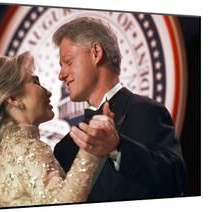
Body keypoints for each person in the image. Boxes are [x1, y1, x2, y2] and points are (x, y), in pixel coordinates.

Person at [52, 17, 187, 202]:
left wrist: (117, 148)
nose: (61, 74)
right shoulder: (65, 148)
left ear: (96, 53)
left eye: (68, 61)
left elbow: (175, 180)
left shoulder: (144, 111)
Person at [0, 51, 103, 208]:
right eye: (35, 82)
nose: (48, 92)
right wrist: (91, 151)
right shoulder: (28, 149)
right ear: (14, 99)